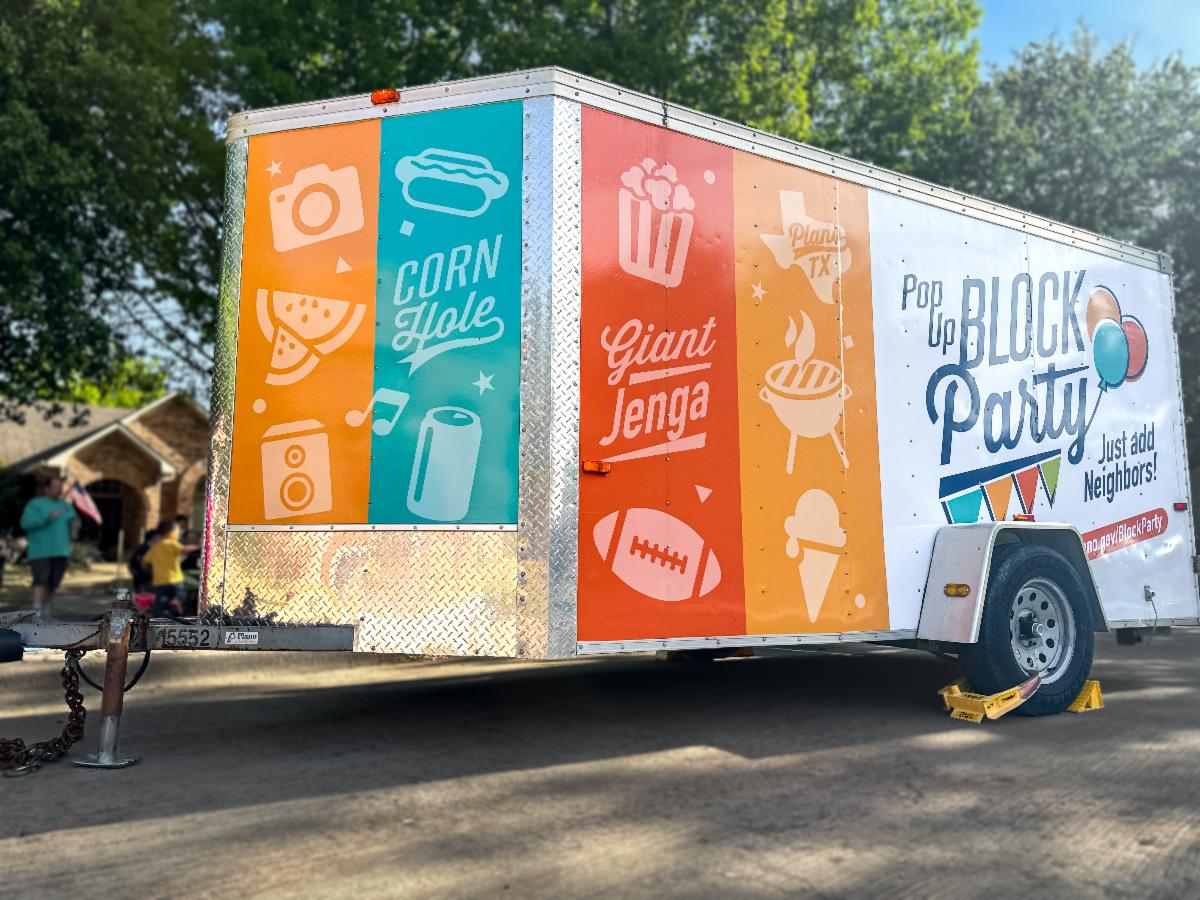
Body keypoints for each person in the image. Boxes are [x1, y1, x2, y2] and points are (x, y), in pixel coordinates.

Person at [19, 475, 77, 621]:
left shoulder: (65, 505)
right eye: (55, 488)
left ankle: (46, 613)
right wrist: (46, 517)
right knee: (41, 581)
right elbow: (25, 524)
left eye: (60, 488)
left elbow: (73, 521)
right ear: (47, 489)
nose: (58, 491)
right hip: (41, 551)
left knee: (53, 583)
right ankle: (36, 614)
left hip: (61, 550)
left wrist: (76, 526)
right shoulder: (36, 504)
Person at [143, 520, 199, 616]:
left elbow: (144, 561)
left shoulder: (155, 546)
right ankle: (176, 601)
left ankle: (158, 615)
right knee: (181, 595)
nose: (178, 534)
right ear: (171, 532)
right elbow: (184, 549)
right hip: (175, 579)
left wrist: (150, 571)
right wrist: (198, 547)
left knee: (161, 601)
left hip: (160, 581)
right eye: (177, 531)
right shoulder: (171, 543)